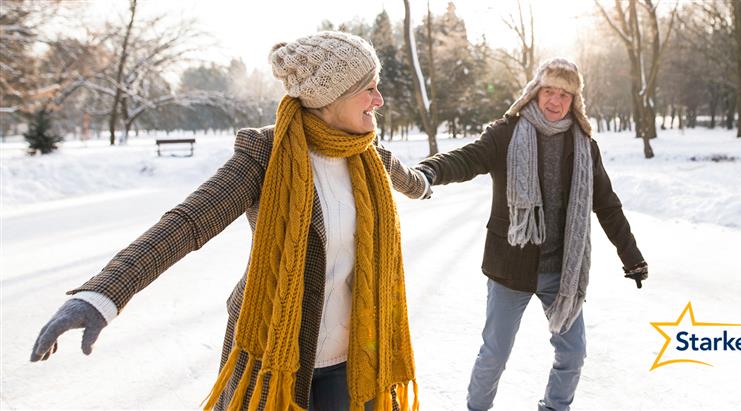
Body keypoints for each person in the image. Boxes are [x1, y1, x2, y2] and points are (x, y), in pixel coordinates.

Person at [30, 31, 430, 411]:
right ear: (331, 97)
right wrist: (103, 294)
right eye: (370, 87)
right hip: (274, 349)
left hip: (358, 354)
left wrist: (426, 183)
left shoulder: (368, 152)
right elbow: (187, 223)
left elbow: (406, 178)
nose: (379, 100)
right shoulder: (267, 154)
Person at [414, 58, 648, 411]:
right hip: (511, 266)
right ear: (535, 92)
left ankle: (555, 407)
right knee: (495, 352)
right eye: (549, 91)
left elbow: (607, 205)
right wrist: (430, 170)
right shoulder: (507, 133)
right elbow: (468, 159)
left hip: (562, 273)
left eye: (564, 95)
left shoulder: (584, 146)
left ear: (575, 101)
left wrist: (632, 256)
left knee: (573, 353)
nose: (555, 101)